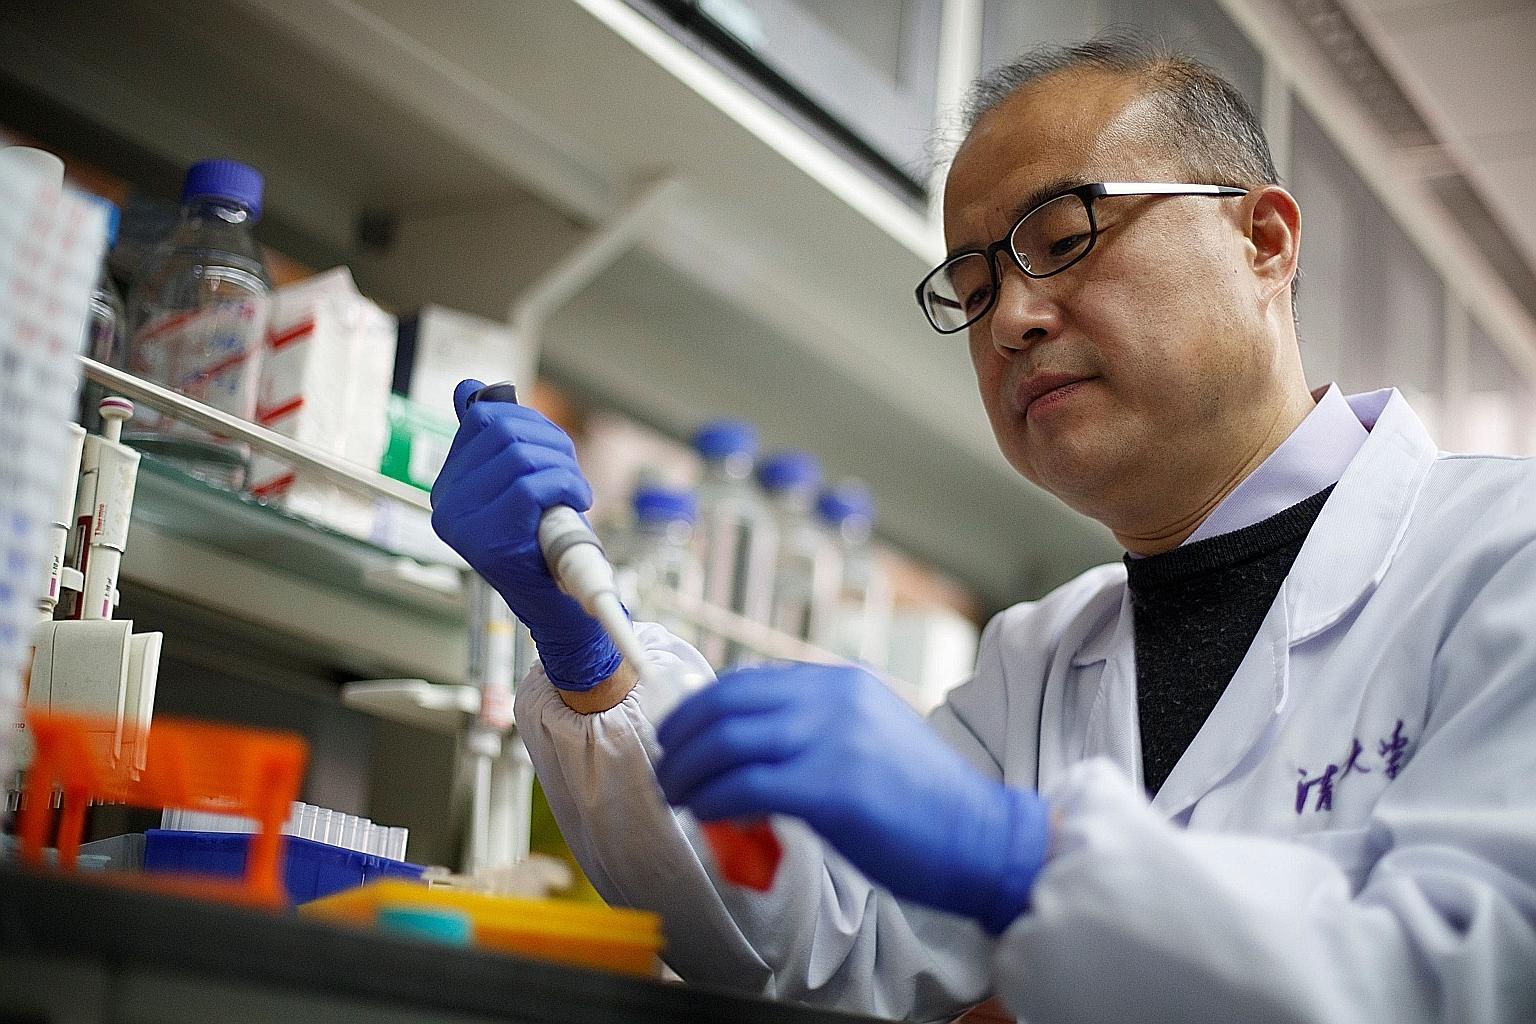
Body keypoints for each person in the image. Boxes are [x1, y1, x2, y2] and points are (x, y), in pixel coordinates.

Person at [429, 37, 1536, 1023]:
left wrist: (1021, 862)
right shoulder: (1039, 663)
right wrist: (581, 645)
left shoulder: (1501, 557)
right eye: (972, 281)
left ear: (1265, 240)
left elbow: (1470, 970)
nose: (1010, 317)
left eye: (1062, 235)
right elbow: (821, 938)